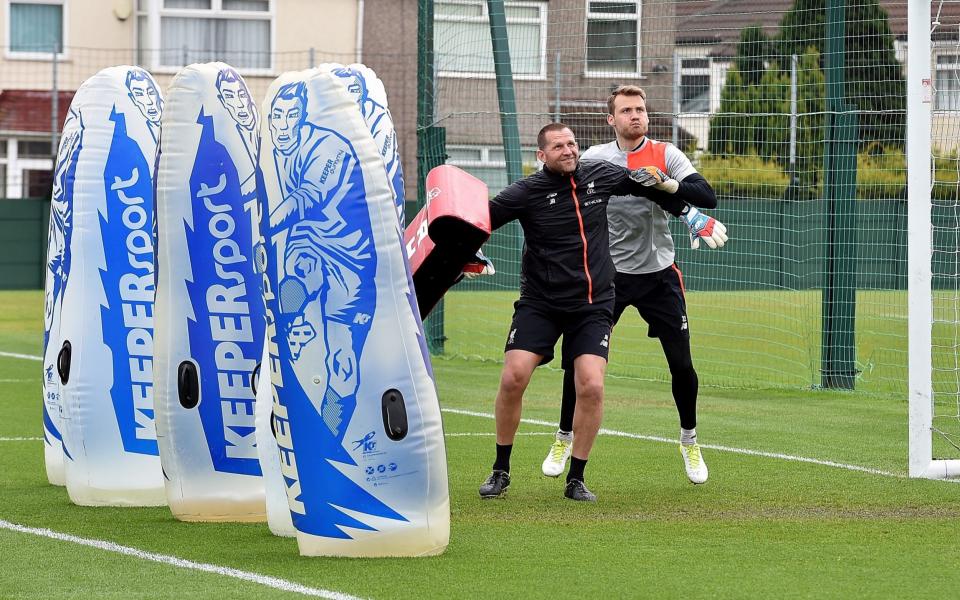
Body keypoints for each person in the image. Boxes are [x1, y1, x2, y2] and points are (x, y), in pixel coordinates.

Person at [478, 122, 726, 502]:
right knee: (514, 377)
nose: (569, 151)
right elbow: (482, 221)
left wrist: (689, 214)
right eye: (559, 146)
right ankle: (500, 470)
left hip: (592, 303)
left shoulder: (600, 174)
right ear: (541, 156)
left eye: (572, 143)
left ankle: (576, 478)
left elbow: (647, 187)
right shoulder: (525, 192)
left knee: (591, 383)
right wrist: (466, 251)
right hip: (540, 303)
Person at [540, 85, 719, 486]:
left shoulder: (665, 153)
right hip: (609, 277)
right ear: (611, 119)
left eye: (640, 109)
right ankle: (563, 436)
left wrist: (669, 185)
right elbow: (554, 184)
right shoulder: (594, 158)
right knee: (579, 362)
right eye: (626, 110)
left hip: (660, 275)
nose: (635, 115)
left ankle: (689, 440)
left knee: (683, 366)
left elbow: (706, 195)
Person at [266, 81, 376, 448]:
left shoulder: (331, 148)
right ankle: (285, 323)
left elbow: (307, 198)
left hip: (352, 256)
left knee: (343, 363)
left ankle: (329, 442)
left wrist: (263, 227)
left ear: (303, 117)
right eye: (277, 116)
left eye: (291, 116)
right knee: (298, 273)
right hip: (309, 240)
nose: (283, 125)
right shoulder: (271, 148)